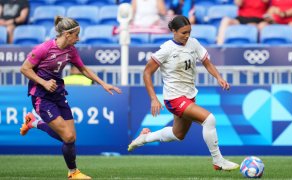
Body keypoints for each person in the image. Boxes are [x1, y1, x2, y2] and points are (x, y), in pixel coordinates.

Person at [128, 15, 239, 171]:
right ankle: (218, 161)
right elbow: (147, 73)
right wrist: (153, 98)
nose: (187, 36)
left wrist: (219, 77)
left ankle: (145, 137)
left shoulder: (193, 43)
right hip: (174, 98)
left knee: (178, 134)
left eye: (189, 32)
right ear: (173, 31)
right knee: (209, 120)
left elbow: (206, 62)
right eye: (183, 32)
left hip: (189, 96)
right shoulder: (166, 49)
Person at [19, 16, 122, 179]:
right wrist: (44, 83)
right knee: (67, 136)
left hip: (58, 93)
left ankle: (33, 122)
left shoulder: (71, 50)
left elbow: (83, 69)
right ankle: (73, 172)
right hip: (41, 96)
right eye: (76, 35)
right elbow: (24, 68)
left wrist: (103, 84)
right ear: (67, 34)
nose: (78, 38)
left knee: (71, 137)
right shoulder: (44, 48)